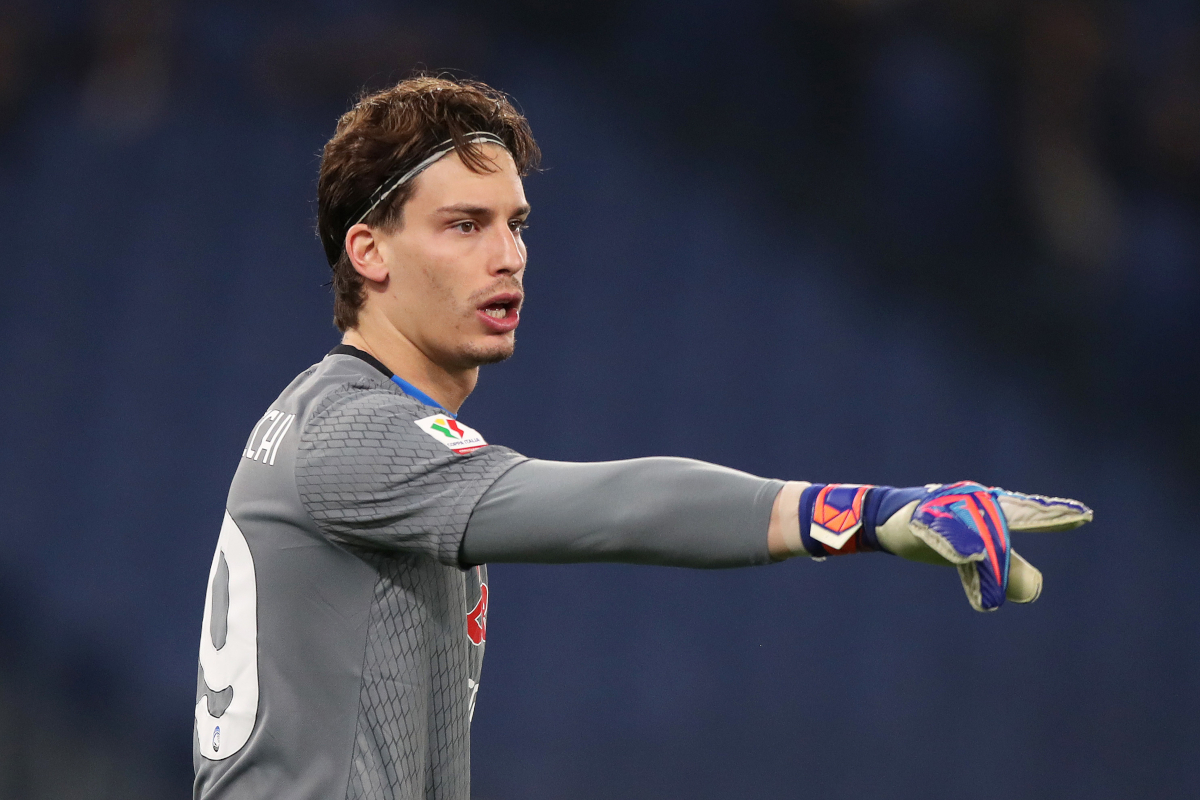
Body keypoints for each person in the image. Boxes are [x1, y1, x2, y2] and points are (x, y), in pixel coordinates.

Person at [192, 75, 1092, 800]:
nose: (507, 255)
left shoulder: (346, 421)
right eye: (463, 225)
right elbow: (612, 507)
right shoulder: (355, 431)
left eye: (515, 224)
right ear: (370, 253)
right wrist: (868, 512)